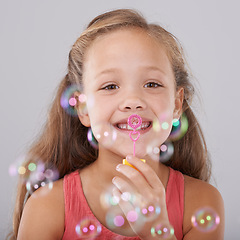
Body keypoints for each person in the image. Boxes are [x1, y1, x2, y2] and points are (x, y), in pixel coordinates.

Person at [8, 9, 224, 240]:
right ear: (82, 108)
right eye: (110, 86)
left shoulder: (201, 201)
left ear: (176, 104)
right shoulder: (48, 207)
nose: (133, 102)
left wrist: (156, 231)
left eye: (152, 84)